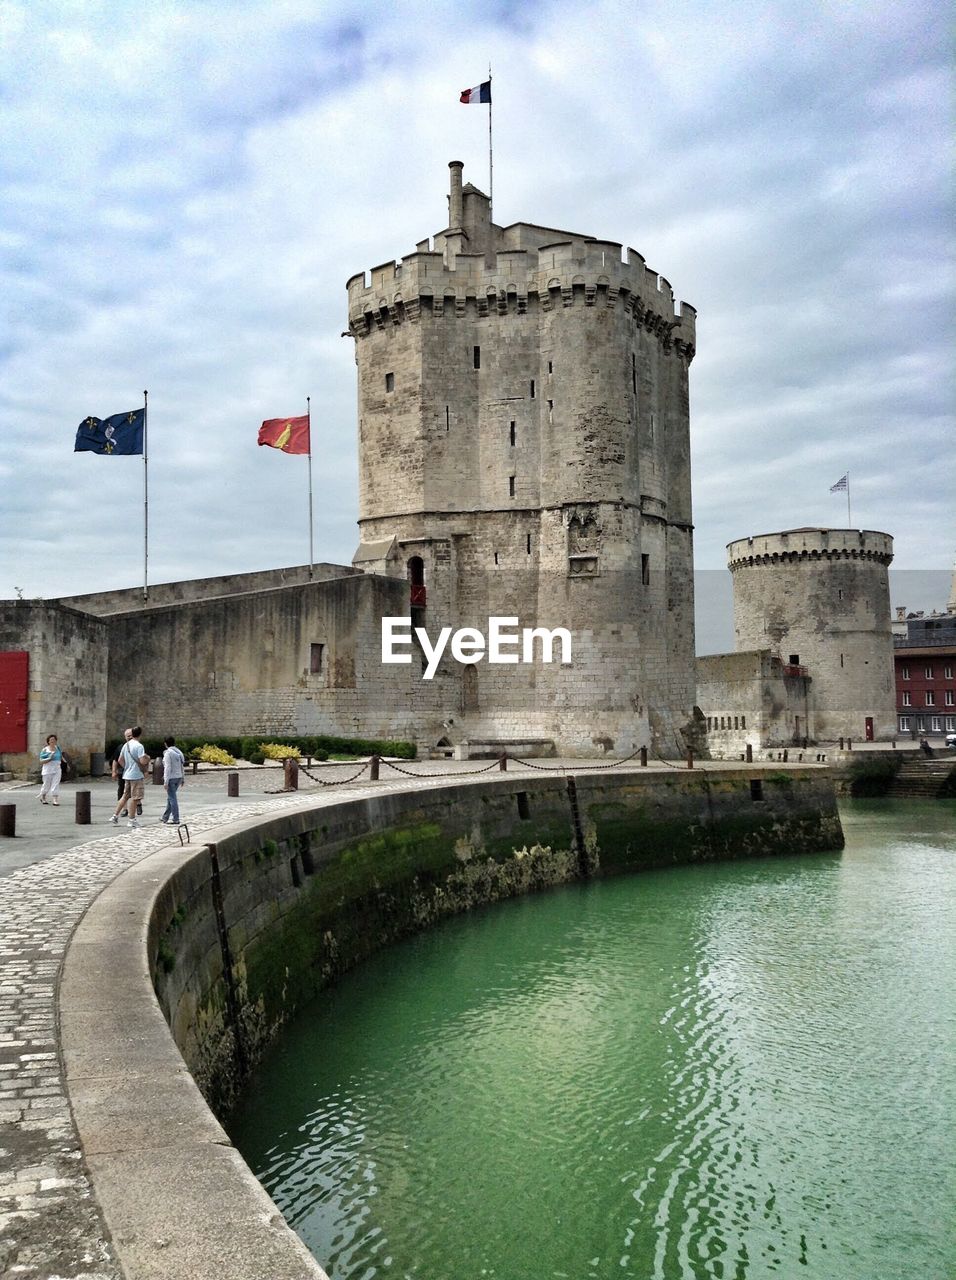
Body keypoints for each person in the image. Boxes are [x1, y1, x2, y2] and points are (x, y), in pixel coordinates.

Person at [109, 726, 149, 830]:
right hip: (136, 775)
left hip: (127, 774)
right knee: (135, 798)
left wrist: (127, 767)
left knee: (125, 796)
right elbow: (142, 761)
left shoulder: (126, 745)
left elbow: (120, 760)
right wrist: (147, 758)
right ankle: (132, 820)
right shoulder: (139, 746)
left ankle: (115, 816)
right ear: (140, 734)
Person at [160, 736, 186, 825]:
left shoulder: (168, 753)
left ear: (165, 743)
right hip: (178, 777)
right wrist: (183, 777)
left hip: (171, 778)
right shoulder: (179, 752)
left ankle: (176, 818)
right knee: (170, 798)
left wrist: (165, 781)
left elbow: (167, 767)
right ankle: (165, 817)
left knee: (172, 798)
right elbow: (182, 765)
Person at [38, 734, 62, 805]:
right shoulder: (45, 750)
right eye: (51, 740)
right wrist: (50, 758)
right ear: (48, 741)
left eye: (54, 740)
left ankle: (55, 799)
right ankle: (43, 797)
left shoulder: (58, 748)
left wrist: (65, 763)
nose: (53, 741)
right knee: (46, 784)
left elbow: (60, 756)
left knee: (56, 783)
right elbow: (41, 761)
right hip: (48, 769)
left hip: (57, 768)